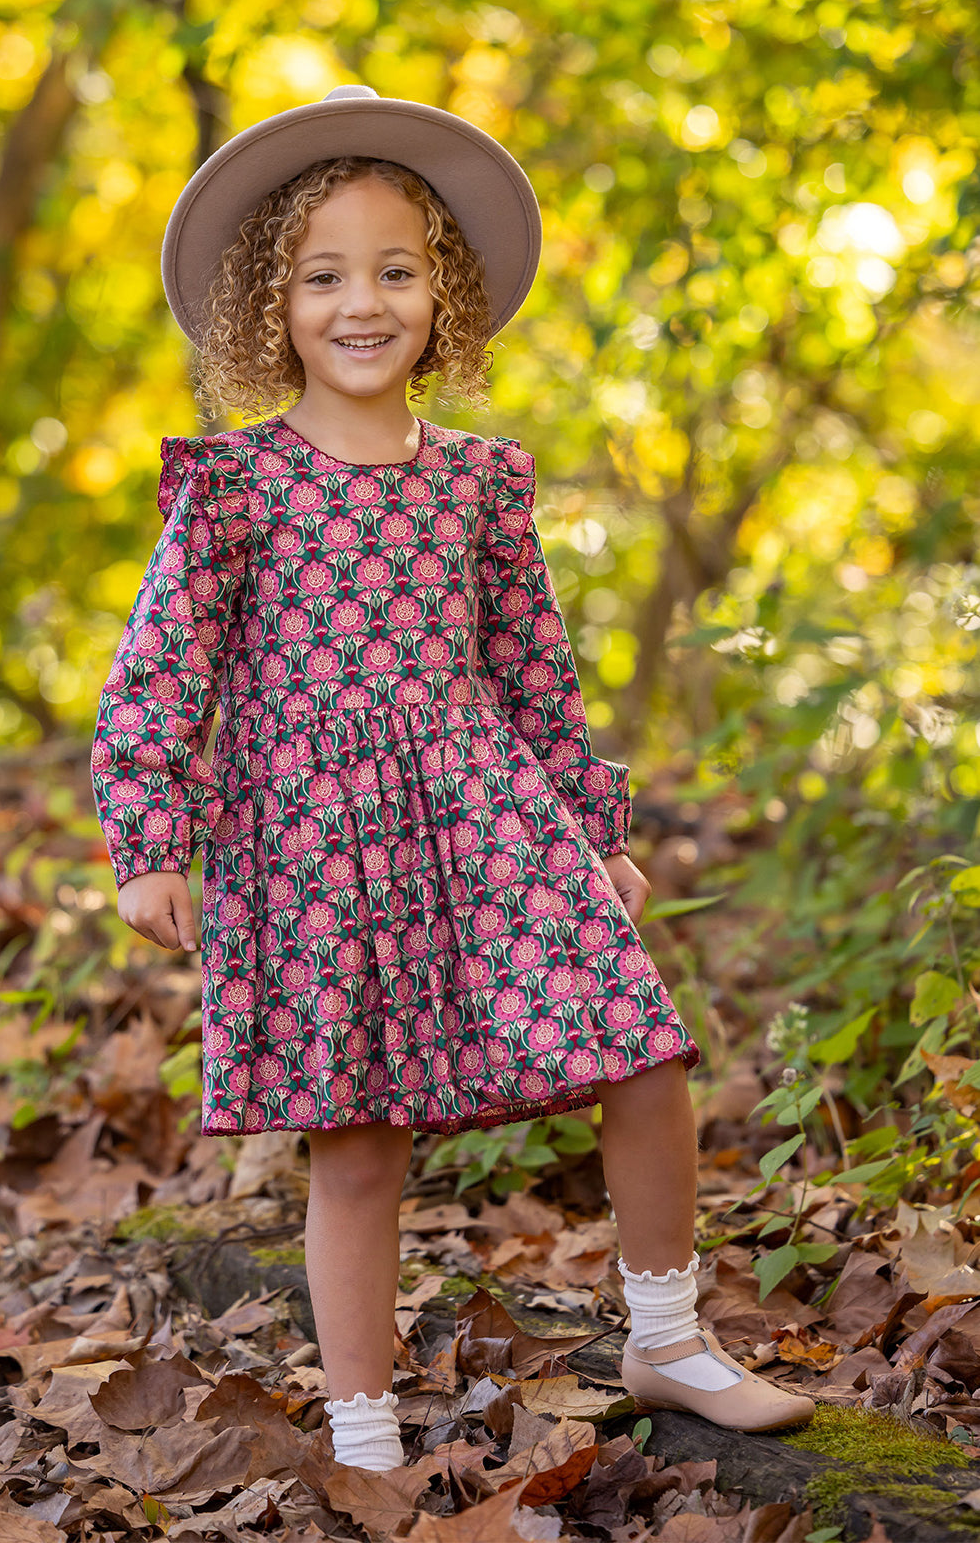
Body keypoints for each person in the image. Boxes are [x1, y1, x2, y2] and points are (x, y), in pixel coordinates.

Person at [90, 85, 814, 1470]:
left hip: (485, 806)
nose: (361, 304)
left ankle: (666, 1338)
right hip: (308, 835)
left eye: (395, 270)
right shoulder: (234, 488)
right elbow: (157, 673)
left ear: (445, 295)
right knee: (358, 1144)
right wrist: (149, 840)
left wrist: (593, 825)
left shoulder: (480, 482)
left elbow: (534, 665)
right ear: (270, 304)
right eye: (322, 276)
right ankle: (365, 1435)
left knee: (641, 1046)